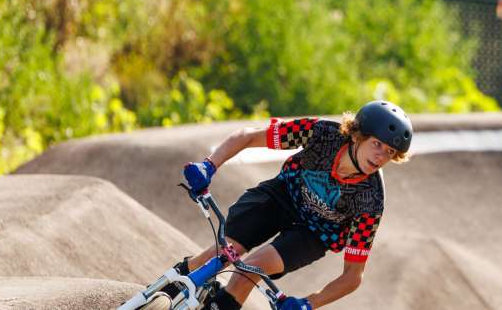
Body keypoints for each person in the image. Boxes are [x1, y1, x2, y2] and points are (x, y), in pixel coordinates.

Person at [170, 100, 413, 310]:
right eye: (377, 144)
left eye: (390, 152)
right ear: (358, 135)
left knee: (249, 271)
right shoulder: (321, 134)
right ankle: (166, 288)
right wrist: (209, 166)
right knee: (220, 254)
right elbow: (249, 136)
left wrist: (310, 303)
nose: (381, 156)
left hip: (315, 233)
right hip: (282, 196)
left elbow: (353, 276)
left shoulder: (371, 200)